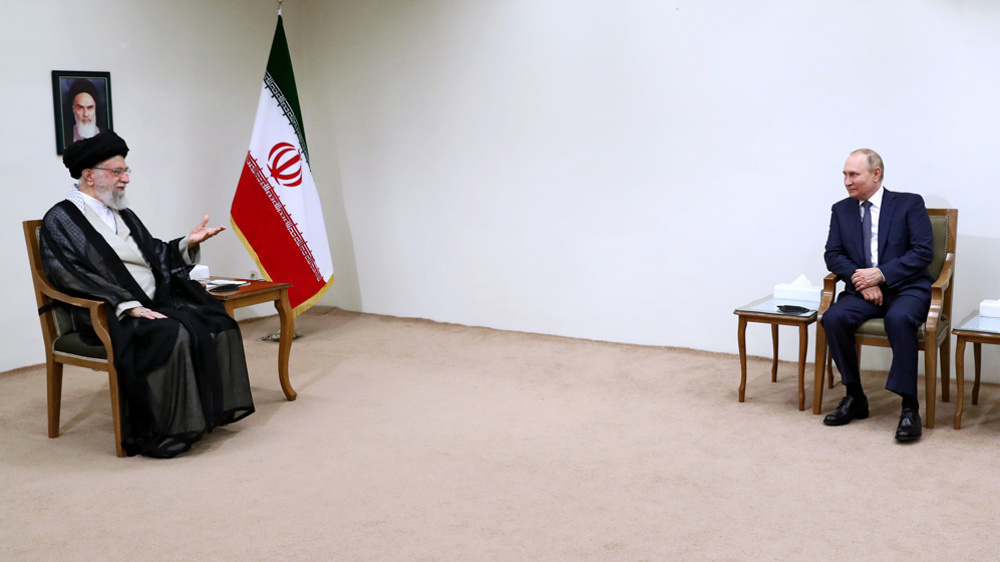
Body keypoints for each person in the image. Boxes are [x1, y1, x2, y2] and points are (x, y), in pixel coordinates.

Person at [39, 131, 255, 458]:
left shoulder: (120, 210)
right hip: (106, 312)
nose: (126, 179)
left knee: (217, 322)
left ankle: (210, 413)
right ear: (89, 175)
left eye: (127, 171)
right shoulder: (61, 218)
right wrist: (127, 306)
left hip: (153, 301)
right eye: (117, 172)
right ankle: (168, 427)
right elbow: (67, 274)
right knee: (174, 332)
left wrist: (188, 244)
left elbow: (154, 252)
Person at [820, 148, 934, 442]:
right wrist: (864, 281)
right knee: (833, 317)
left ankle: (909, 406)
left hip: (907, 288)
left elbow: (922, 252)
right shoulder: (841, 209)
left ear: (876, 174)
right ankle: (855, 395)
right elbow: (833, 254)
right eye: (845, 174)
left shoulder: (909, 203)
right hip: (863, 291)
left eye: (853, 174)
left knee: (899, 319)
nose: (847, 181)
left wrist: (881, 274)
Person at [65, 79, 104, 144]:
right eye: (80, 108)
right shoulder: (66, 137)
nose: (85, 114)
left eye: (90, 108)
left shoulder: (106, 137)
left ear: (95, 108)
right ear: (73, 109)